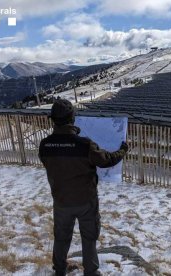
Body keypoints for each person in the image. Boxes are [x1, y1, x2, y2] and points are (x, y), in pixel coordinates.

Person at [39, 99, 129, 276]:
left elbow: (49, 164)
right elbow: (107, 160)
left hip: (61, 201)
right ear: (73, 118)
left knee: (61, 238)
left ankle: (59, 270)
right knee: (89, 238)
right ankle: (91, 271)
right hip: (86, 201)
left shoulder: (45, 145)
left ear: (53, 120)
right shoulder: (84, 145)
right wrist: (123, 150)